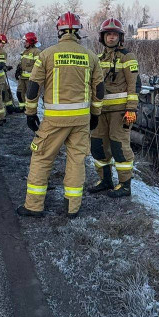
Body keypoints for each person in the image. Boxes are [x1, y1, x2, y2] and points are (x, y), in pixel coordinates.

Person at [18, 12, 104, 218]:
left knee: (42, 157)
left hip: (54, 120)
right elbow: (99, 88)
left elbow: (33, 87)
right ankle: (72, 207)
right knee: (76, 160)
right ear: (78, 32)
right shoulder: (90, 56)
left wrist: (30, 113)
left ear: (59, 31)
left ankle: (34, 206)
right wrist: (95, 113)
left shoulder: (47, 55)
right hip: (82, 120)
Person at [89, 18, 140, 197]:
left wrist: (131, 109)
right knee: (98, 146)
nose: (111, 38)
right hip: (100, 112)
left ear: (120, 37)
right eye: (108, 34)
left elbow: (134, 86)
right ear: (102, 37)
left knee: (119, 147)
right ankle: (105, 180)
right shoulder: (98, 58)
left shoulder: (128, 57)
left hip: (120, 112)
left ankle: (125, 185)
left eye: (114, 34)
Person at [14, 32, 41, 110]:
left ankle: (30, 111)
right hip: (22, 78)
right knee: (19, 93)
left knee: (30, 96)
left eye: (26, 42)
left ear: (31, 42)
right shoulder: (25, 51)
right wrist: (18, 70)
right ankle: (22, 108)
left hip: (30, 79)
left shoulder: (36, 52)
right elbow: (22, 63)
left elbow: (38, 66)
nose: (24, 43)